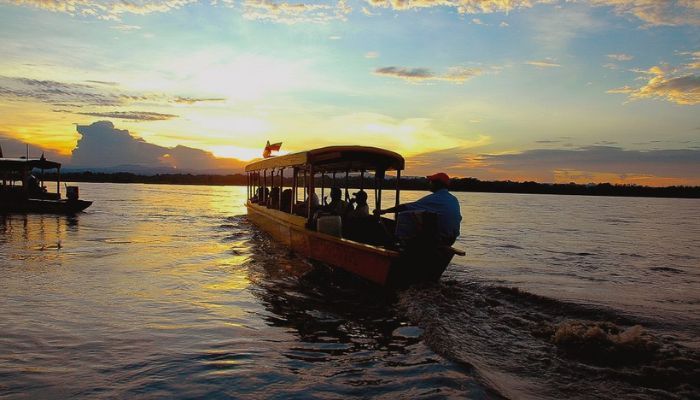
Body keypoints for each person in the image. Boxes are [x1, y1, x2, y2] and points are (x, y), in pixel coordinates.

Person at [374, 172, 461, 246]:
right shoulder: (453, 199)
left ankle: (398, 242)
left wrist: (384, 211)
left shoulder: (433, 198)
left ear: (437, 184)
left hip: (441, 239)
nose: (429, 184)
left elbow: (405, 207)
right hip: (451, 239)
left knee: (404, 215)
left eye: (431, 182)